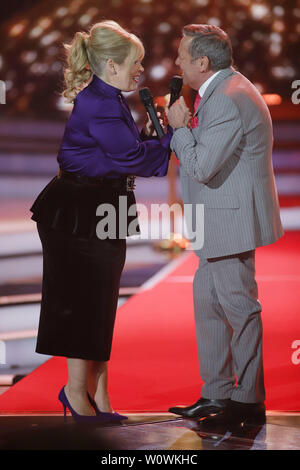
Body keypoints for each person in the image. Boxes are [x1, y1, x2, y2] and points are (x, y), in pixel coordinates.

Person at [30, 20, 172, 423]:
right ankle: (77, 393)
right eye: (135, 64)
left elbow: (125, 152)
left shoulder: (109, 97)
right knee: (86, 302)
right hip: (79, 210)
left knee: (100, 302)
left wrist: (153, 136)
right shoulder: (100, 103)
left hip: (100, 204)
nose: (140, 71)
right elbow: (133, 159)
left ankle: (98, 395)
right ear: (111, 65)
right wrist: (171, 135)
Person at [166, 24, 283, 426]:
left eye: (181, 56)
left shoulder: (227, 99)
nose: (176, 63)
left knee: (238, 309)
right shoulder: (221, 90)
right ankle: (216, 394)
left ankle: (247, 401)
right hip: (214, 220)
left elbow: (200, 166)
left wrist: (179, 127)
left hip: (229, 221)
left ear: (201, 62)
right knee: (210, 307)